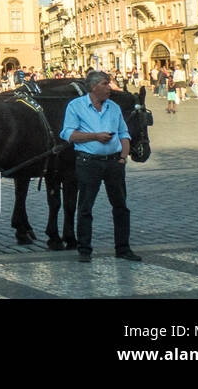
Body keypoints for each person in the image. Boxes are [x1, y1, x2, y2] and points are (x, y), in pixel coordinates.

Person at [60, 70, 140, 262]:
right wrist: (95, 136)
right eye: (105, 84)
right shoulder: (76, 106)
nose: (109, 88)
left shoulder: (113, 107)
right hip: (88, 162)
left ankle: (123, 248)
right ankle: (85, 250)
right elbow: (68, 134)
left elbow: (124, 133)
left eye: (109, 83)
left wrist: (122, 158)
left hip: (114, 162)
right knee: (86, 206)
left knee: (121, 206)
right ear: (94, 86)